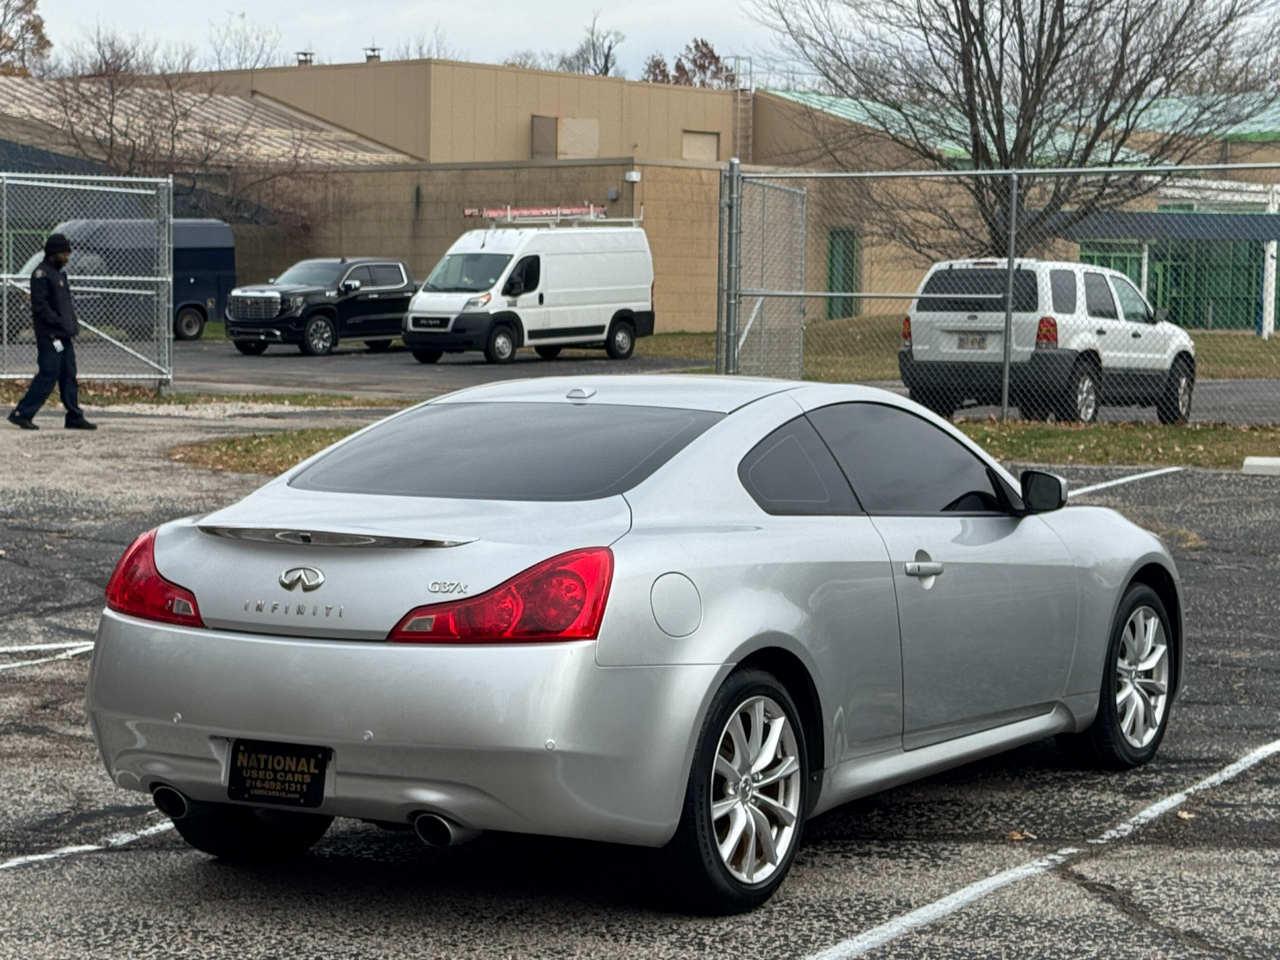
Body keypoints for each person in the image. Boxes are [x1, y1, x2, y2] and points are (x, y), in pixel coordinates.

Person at [8, 233, 96, 430]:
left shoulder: (60, 275)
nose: (67, 257)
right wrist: (58, 323)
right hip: (50, 336)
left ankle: (74, 416)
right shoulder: (41, 275)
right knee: (49, 374)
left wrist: (72, 324)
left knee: (69, 374)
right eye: (64, 253)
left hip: (64, 335)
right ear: (54, 254)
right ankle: (22, 412)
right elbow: (40, 307)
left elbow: (66, 305)